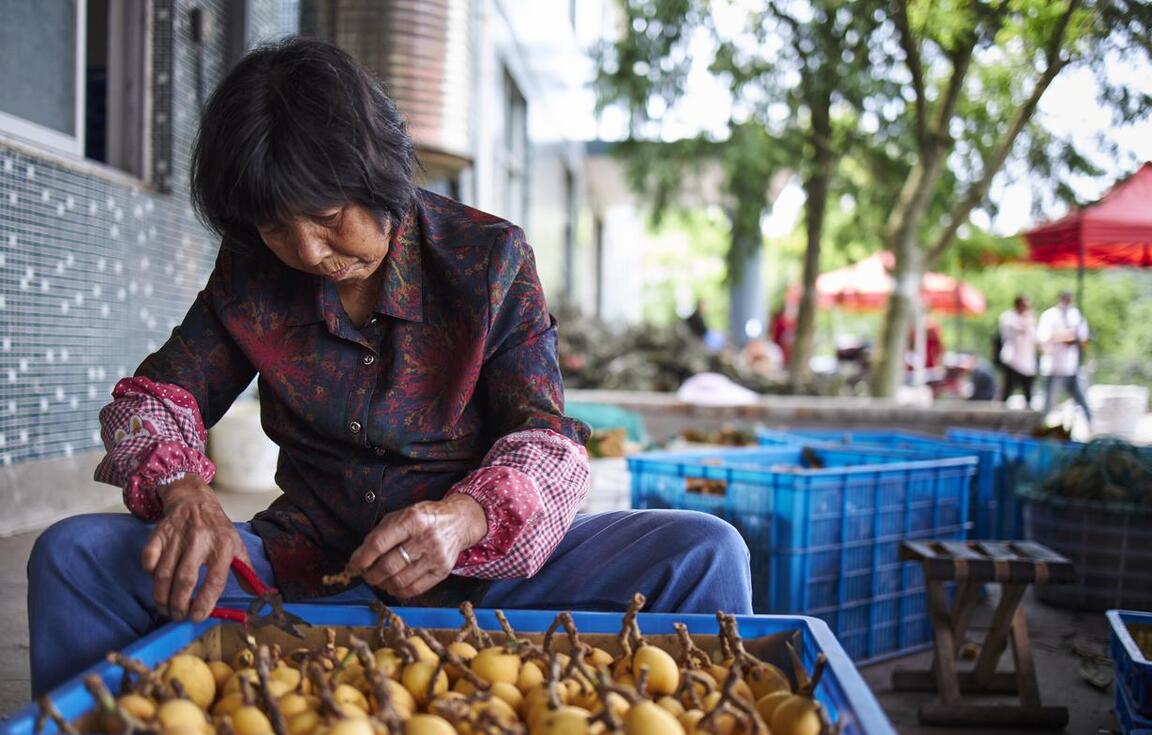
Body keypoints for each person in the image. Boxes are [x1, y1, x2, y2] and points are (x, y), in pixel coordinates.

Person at [25, 39, 752, 697]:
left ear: (377, 173)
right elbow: (154, 402)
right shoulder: (252, 272)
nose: (308, 252)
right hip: (302, 579)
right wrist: (184, 493)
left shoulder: (488, 259)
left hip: (482, 577)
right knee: (72, 557)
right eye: (275, 227)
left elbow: (547, 444)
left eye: (327, 216)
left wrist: (465, 519)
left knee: (702, 551)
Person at [1037, 290, 1092, 425]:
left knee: (1080, 398)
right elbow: (1043, 339)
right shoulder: (1049, 315)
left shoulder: (1076, 315)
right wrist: (1064, 337)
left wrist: (1074, 340)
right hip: (1053, 367)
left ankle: (1091, 423)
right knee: (1049, 401)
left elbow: (1083, 339)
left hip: (1071, 367)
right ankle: (1042, 426)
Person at [997, 294, 1038, 405]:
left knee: (1028, 389)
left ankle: (1029, 409)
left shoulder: (1030, 318)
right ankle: (1001, 407)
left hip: (1027, 359)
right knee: (1008, 387)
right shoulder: (1008, 317)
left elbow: (1034, 337)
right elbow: (1014, 330)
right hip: (1012, 359)